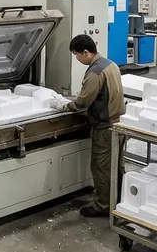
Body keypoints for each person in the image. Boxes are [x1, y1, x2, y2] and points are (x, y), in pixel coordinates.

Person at [51, 35, 125, 218]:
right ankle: (117, 199)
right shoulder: (110, 64)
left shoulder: (95, 72)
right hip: (119, 123)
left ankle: (102, 206)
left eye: (77, 55)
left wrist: (64, 105)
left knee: (101, 167)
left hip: (104, 127)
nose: (77, 58)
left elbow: (83, 102)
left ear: (86, 52)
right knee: (116, 165)